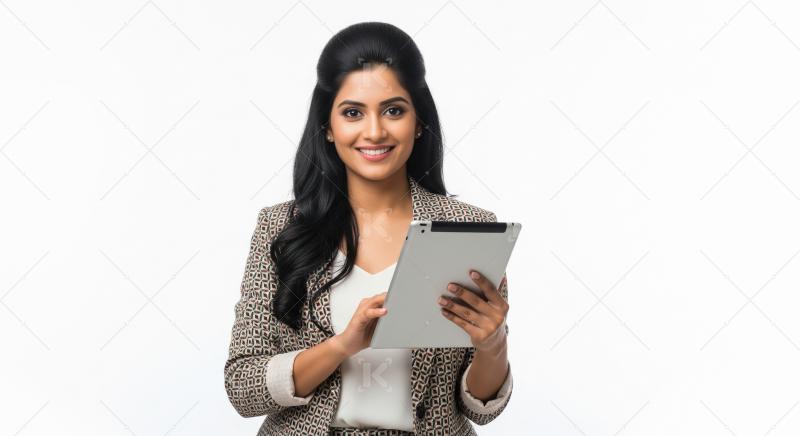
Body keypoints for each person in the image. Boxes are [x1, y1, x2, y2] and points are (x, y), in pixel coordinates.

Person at [224, 21, 512, 435]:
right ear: (328, 126)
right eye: (353, 113)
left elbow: (481, 409)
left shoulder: (468, 229)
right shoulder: (281, 227)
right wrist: (343, 345)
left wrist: (492, 344)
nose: (374, 131)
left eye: (393, 110)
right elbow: (243, 387)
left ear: (418, 121)